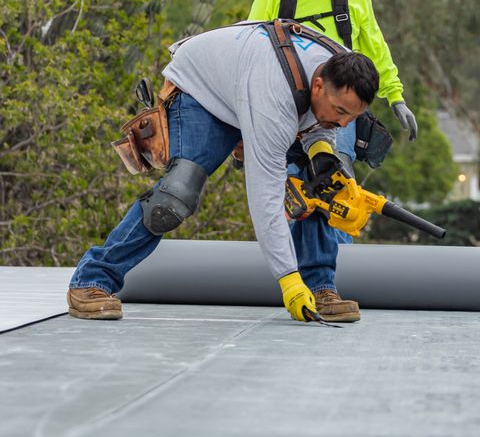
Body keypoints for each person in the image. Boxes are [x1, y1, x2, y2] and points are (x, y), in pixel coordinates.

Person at [66, 21, 379, 323]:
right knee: (176, 195)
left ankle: (320, 288)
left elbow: (318, 121)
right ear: (320, 85)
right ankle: (92, 280)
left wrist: (322, 152)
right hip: (203, 92)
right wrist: (288, 281)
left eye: (352, 116)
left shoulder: (340, 66)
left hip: (250, 86)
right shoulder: (274, 95)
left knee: (323, 182)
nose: (343, 123)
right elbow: (264, 196)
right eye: (340, 112)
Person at [247, 0, 417, 323]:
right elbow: (248, 47)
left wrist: (395, 97)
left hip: (335, 112)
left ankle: (324, 285)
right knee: (289, 192)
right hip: (283, 107)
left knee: (330, 185)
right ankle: (300, 280)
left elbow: (374, 46)